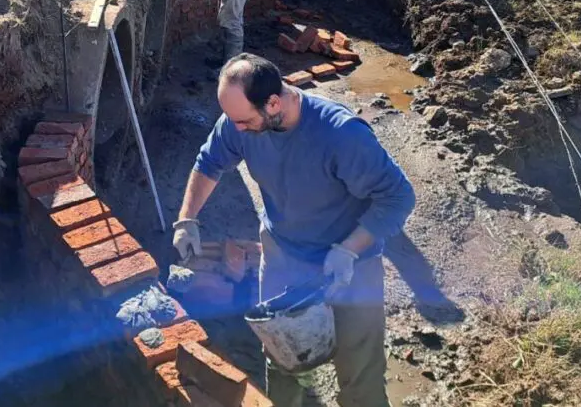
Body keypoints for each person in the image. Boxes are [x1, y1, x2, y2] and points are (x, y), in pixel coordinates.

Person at [173, 54, 416, 407]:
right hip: (283, 255)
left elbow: (398, 197)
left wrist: (349, 249)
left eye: (243, 120)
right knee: (284, 360)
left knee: (359, 378)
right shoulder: (238, 123)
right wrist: (187, 219)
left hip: (350, 267)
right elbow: (209, 161)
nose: (236, 129)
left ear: (274, 102)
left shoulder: (340, 135)